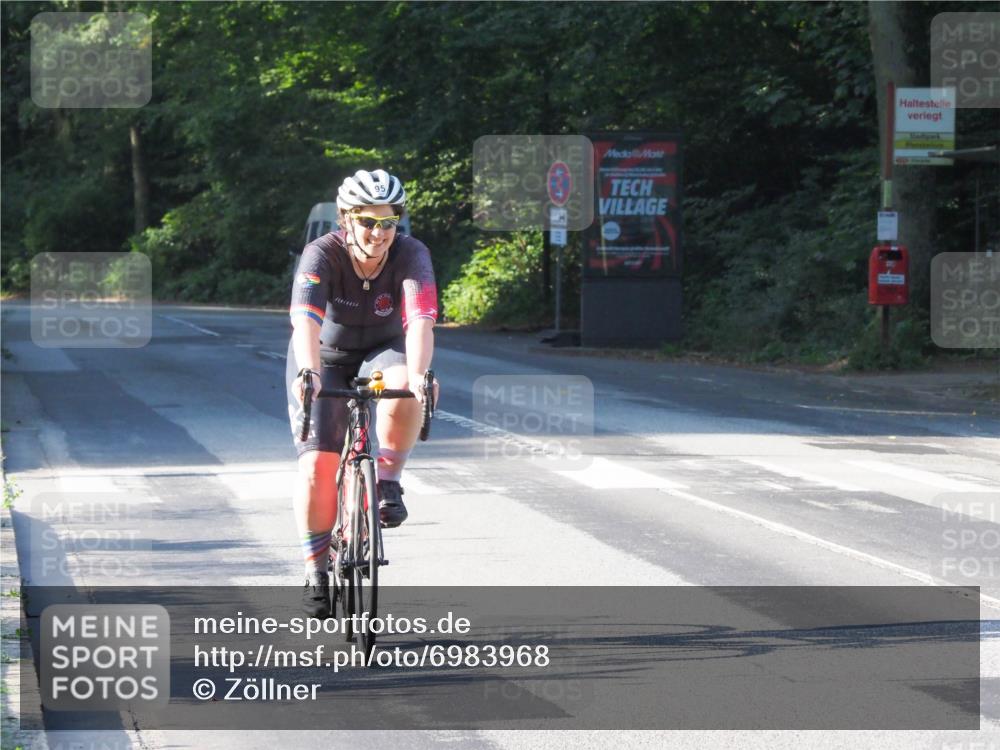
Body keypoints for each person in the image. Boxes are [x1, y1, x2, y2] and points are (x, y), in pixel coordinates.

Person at [286, 169, 438, 618]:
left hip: (382, 349)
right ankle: (315, 570)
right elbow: (305, 323)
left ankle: (388, 481)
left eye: (388, 223)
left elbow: (420, 321)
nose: (378, 233)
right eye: (368, 222)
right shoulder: (321, 254)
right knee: (317, 467)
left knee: (405, 382)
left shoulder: (412, 255)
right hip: (325, 355)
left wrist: (420, 376)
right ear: (347, 220)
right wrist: (310, 373)